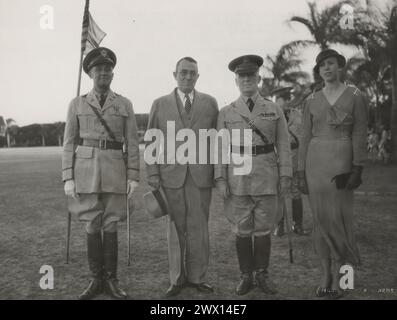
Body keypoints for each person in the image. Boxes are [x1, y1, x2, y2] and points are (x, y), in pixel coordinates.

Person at [62, 47, 140, 300]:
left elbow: (132, 143)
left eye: (107, 69)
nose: (103, 73)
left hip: (116, 168)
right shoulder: (77, 104)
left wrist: (133, 176)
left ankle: (112, 280)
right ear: (90, 73)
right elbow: (69, 142)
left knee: (111, 223)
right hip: (85, 170)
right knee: (92, 224)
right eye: (98, 69)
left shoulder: (124, 103)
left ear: (113, 74)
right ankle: (96, 280)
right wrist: (68, 177)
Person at [215, 55, 292, 295]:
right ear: (236, 80)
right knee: (242, 228)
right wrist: (220, 178)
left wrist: (285, 175)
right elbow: (220, 147)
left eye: (251, 75)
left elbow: (284, 144)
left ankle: (262, 274)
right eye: (242, 76)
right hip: (238, 175)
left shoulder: (273, 108)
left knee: (263, 228)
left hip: (266, 174)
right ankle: (245, 275)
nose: (246, 79)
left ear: (259, 78)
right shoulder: (226, 112)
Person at [298, 49, 368, 299]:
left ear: (341, 67)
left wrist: (357, 167)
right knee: (321, 221)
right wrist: (299, 171)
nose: (327, 69)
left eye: (331, 64)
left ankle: (343, 278)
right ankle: (325, 275)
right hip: (314, 163)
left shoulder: (356, 95)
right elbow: (305, 136)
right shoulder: (311, 100)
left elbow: (361, 132)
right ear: (318, 71)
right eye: (322, 66)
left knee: (340, 220)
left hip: (342, 162)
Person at [145, 57, 218, 297]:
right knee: (175, 228)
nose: (188, 77)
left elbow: (217, 142)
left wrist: (218, 174)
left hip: (200, 177)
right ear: (174, 74)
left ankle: (197, 278)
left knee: (199, 228)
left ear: (198, 76)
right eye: (183, 72)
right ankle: (177, 279)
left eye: (192, 73)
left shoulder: (209, 103)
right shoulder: (160, 104)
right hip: (170, 177)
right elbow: (152, 140)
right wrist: (153, 173)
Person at [271, 86, 309, 237]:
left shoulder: (297, 115)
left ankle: (297, 225)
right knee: (278, 192)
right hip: (277, 158)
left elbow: (303, 136)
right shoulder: (270, 115)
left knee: (296, 192)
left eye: (285, 99)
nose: (282, 102)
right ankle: (279, 226)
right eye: (279, 99)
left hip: (294, 156)